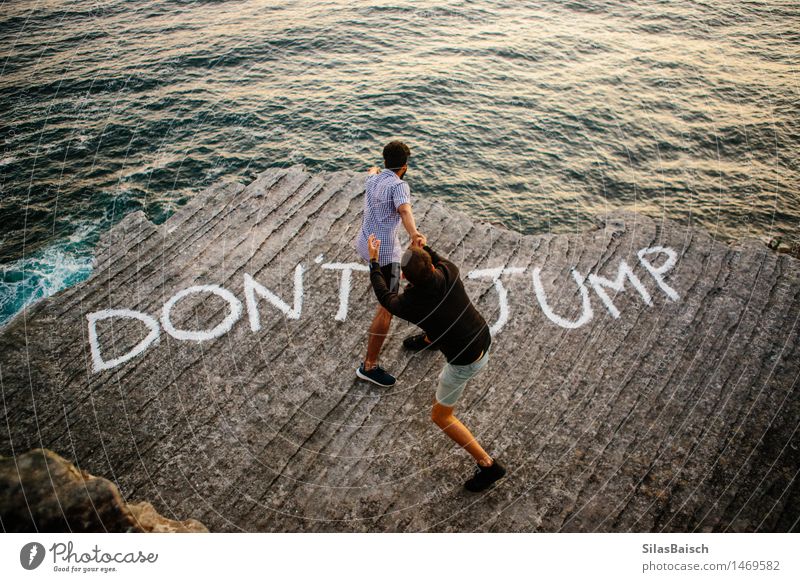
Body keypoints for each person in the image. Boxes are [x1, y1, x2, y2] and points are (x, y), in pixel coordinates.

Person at [366, 233, 507, 492]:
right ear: (432, 265)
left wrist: (374, 262)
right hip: (482, 336)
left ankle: (488, 465)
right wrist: (422, 245)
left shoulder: (409, 304)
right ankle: (430, 339)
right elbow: (435, 257)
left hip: (465, 362)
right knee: (442, 315)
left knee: (441, 417)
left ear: (406, 278)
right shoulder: (450, 271)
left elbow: (385, 297)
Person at [354, 141, 423, 387]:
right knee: (388, 306)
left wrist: (374, 168)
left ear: (385, 162)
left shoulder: (373, 179)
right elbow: (404, 211)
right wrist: (414, 234)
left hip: (365, 243)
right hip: (384, 253)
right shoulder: (399, 185)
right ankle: (369, 366)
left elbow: (371, 170)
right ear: (404, 167)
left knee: (397, 290)